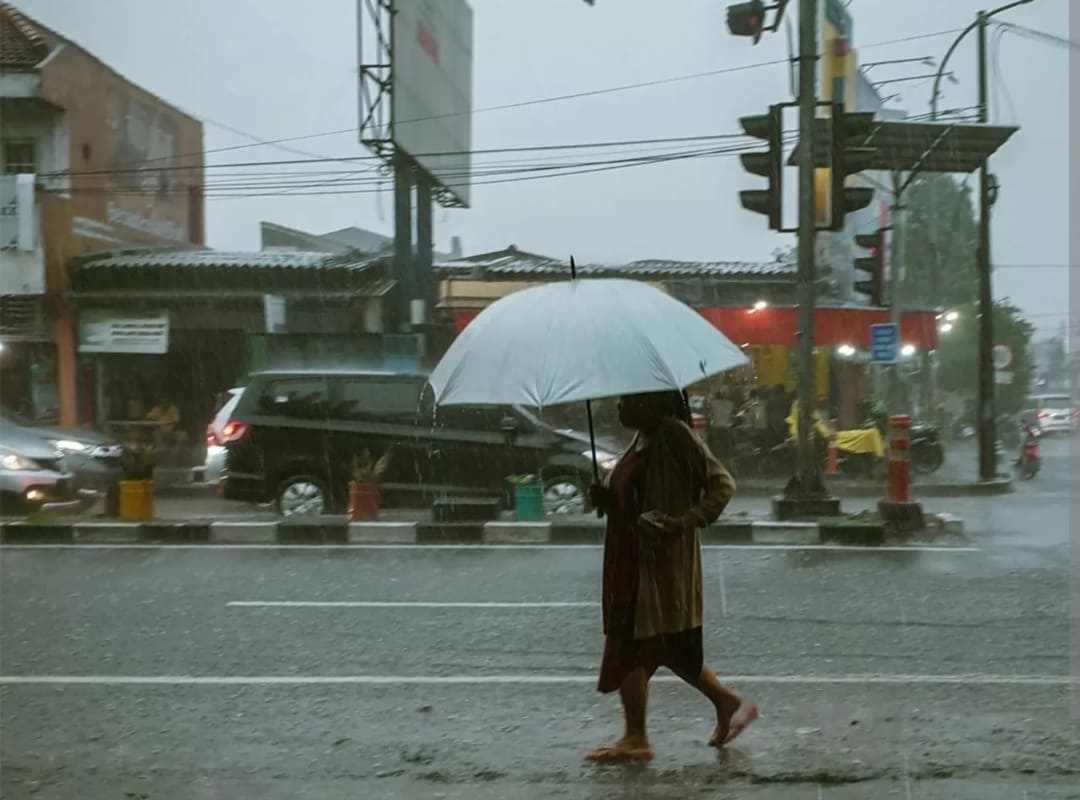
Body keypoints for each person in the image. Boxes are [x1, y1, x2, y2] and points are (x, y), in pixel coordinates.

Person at [585, 390, 758, 763]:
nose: (619, 406)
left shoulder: (673, 435)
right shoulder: (641, 437)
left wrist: (683, 523)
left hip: (656, 563)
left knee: (632, 642)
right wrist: (607, 498)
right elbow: (637, 495)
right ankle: (725, 701)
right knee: (663, 644)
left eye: (627, 399)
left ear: (651, 403)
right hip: (629, 557)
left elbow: (722, 485)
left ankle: (636, 738)